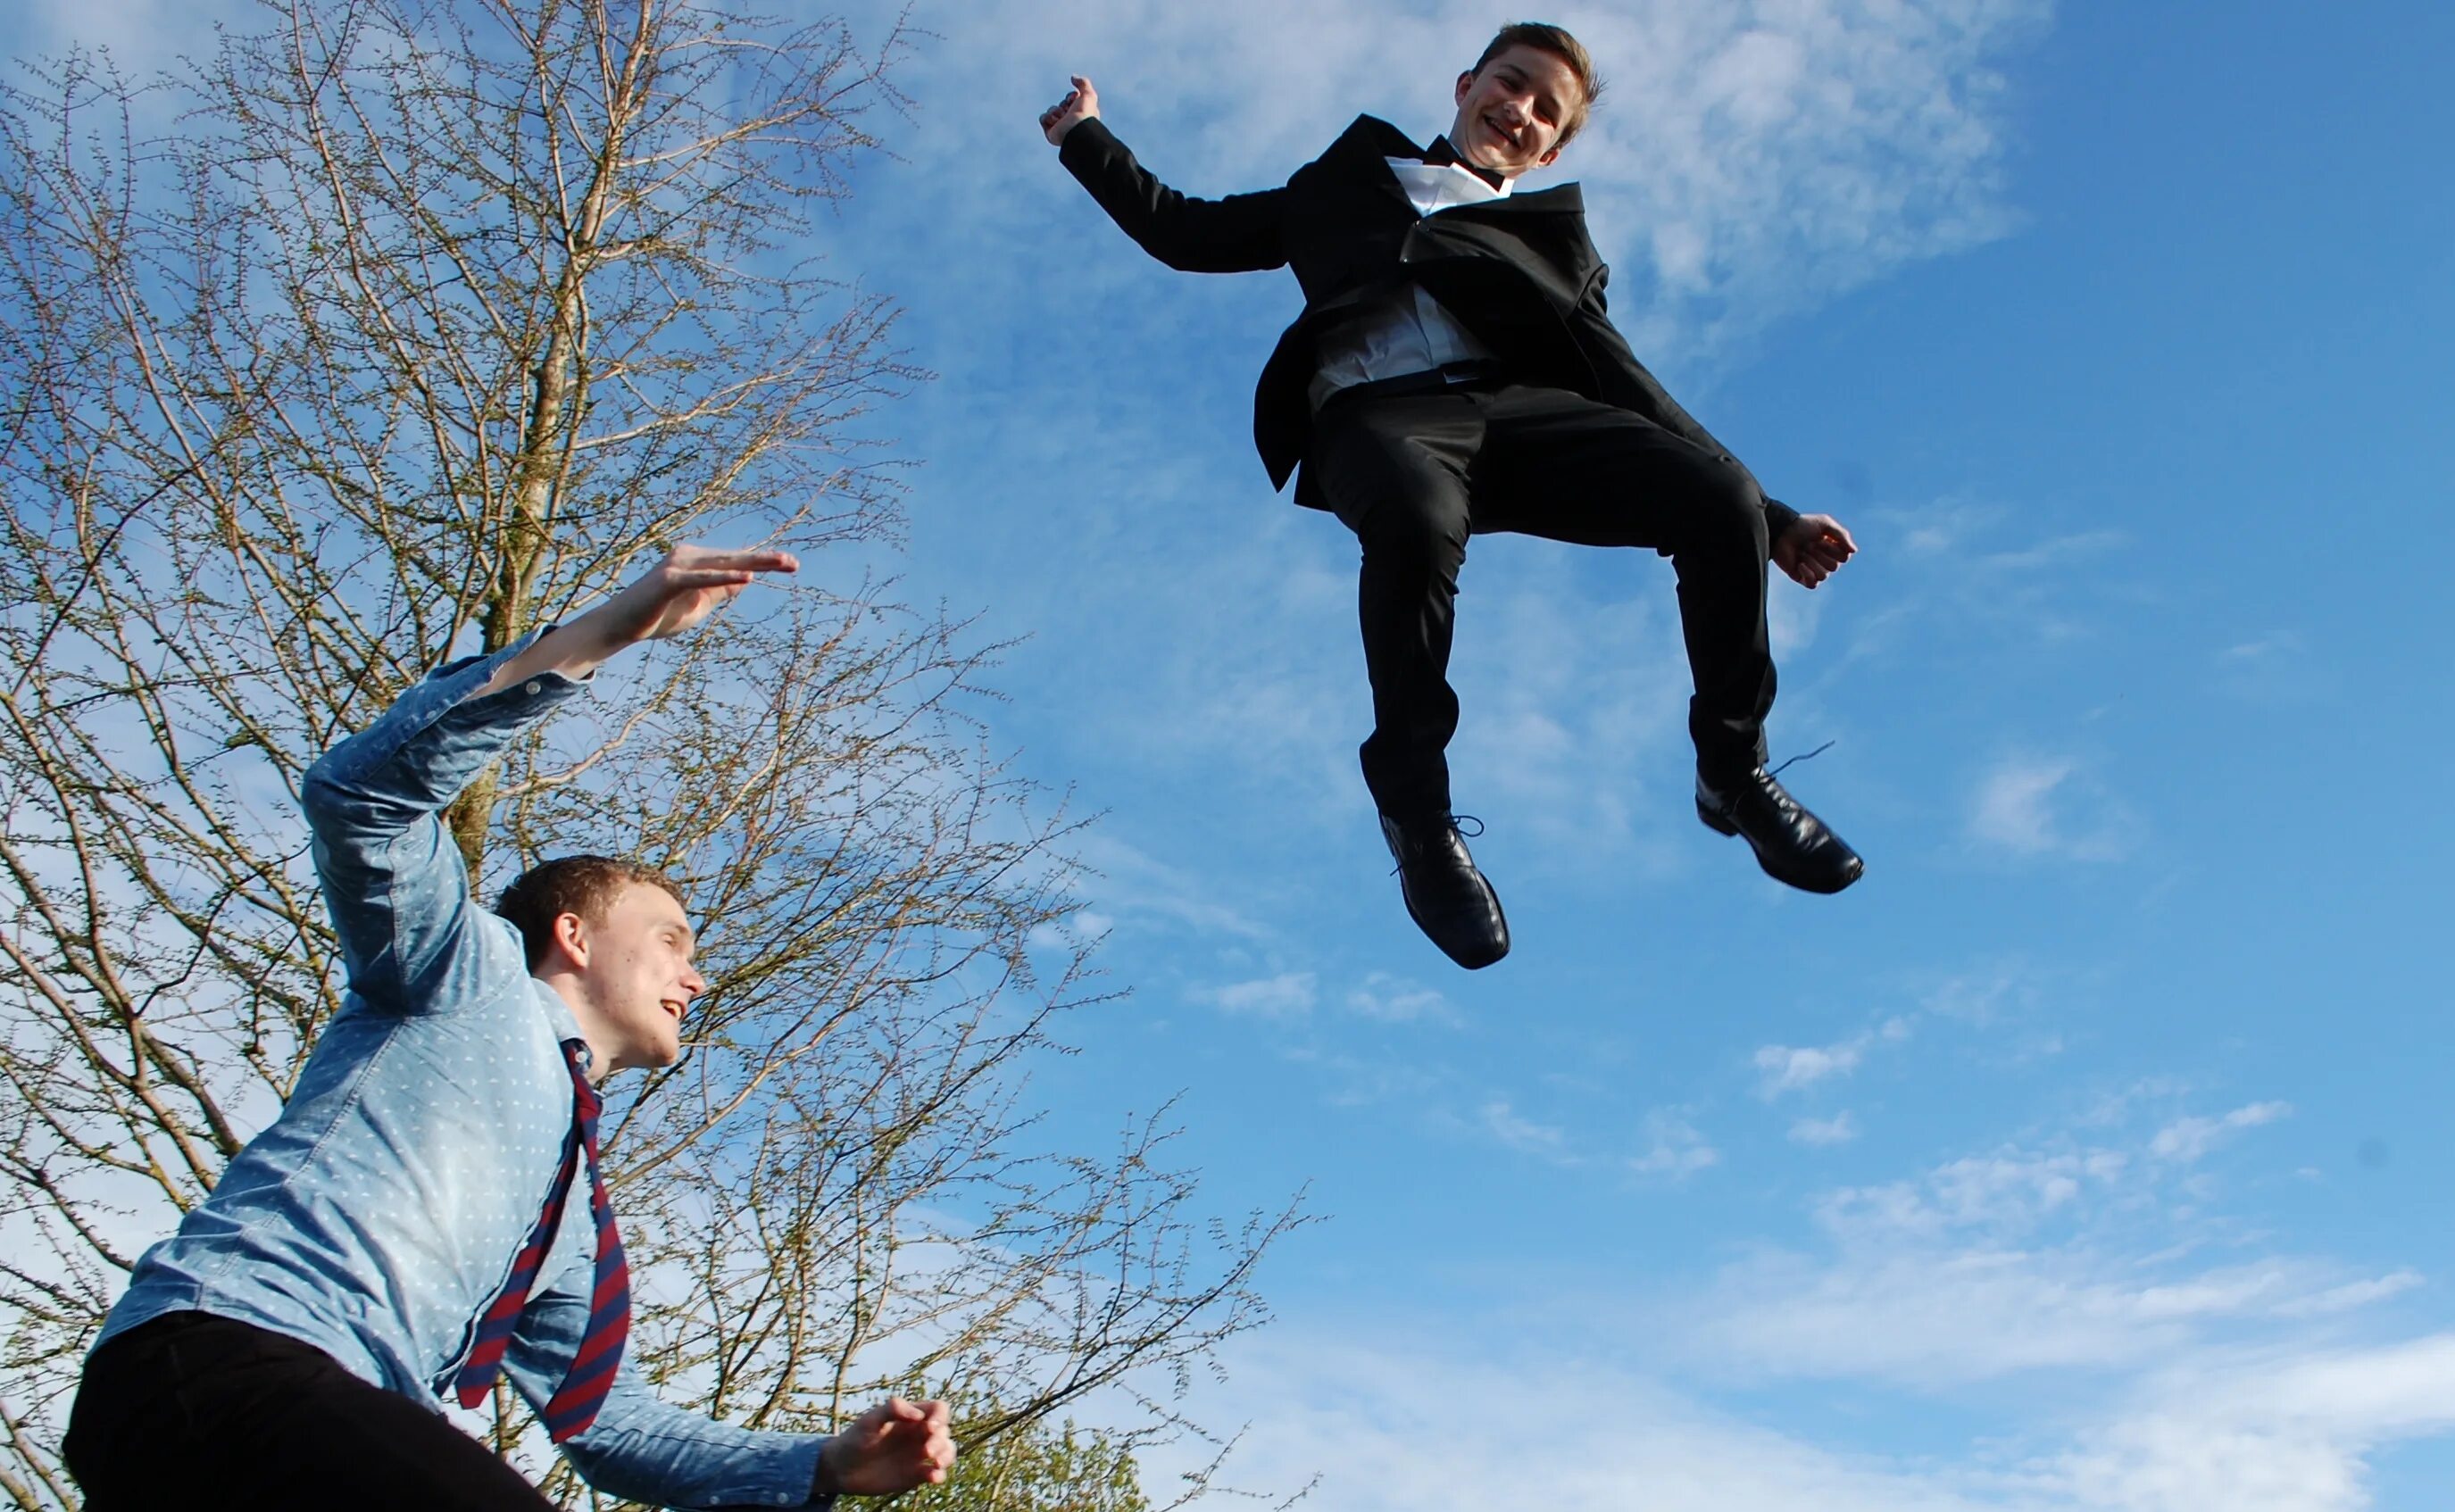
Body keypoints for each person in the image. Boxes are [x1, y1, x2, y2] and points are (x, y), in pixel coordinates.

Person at [62, 547, 959, 1511]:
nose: (695, 975)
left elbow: (611, 1426)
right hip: (220, 1357)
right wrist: (603, 632)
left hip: (315, 1431)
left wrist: (823, 1465)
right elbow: (359, 800)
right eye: (669, 938)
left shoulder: (570, 1218)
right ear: (572, 935)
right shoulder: (465, 973)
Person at [1040, 21, 1864, 971]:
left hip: (1515, 418)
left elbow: (1632, 386)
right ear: (1468, 83)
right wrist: (1085, 137)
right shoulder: (1344, 185)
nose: (1518, 111)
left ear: (1550, 149)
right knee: (1416, 514)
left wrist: (1770, 518)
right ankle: (1421, 820)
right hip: (1379, 420)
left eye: (1543, 113)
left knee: (1716, 494)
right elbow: (1184, 230)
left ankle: (1734, 772)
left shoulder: (1550, 244)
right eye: (1510, 86)